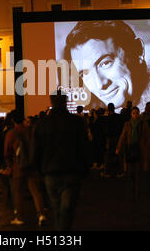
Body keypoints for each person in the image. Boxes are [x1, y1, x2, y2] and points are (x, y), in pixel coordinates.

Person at [62, 20, 150, 112]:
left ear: (137, 50)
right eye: (84, 73)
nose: (100, 85)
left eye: (105, 63)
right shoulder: (109, 110)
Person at [33, 91, 90, 230]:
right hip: (72, 171)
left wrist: (39, 172)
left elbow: (36, 151)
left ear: (51, 102)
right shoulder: (76, 122)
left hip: (50, 172)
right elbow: (85, 148)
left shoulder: (42, 124)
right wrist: (84, 170)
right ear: (65, 101)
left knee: (57, 208)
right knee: (67, 210)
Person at [4, 110, 47, 226]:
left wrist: (9, 166)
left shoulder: (11, 133)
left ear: (12, 120)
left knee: (18, 192)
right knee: (36, 191)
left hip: (18, 166)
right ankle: (41, 214)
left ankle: (19, 217)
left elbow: (7, 152)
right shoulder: (31, 131)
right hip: (32, 165)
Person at [116, 107, 150, 200]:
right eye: (133, 113)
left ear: (139, 113)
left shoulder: (143, 124)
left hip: (139, 149)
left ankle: (137, 190)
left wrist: (148, 148)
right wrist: (119, 147)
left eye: (136, 113)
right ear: (131, 114)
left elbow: (148, 136)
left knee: (137, 171)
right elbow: (123, 136)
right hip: (130, 148)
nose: (135, 115)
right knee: (131, 171)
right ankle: (134, 187)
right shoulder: (127, 124)